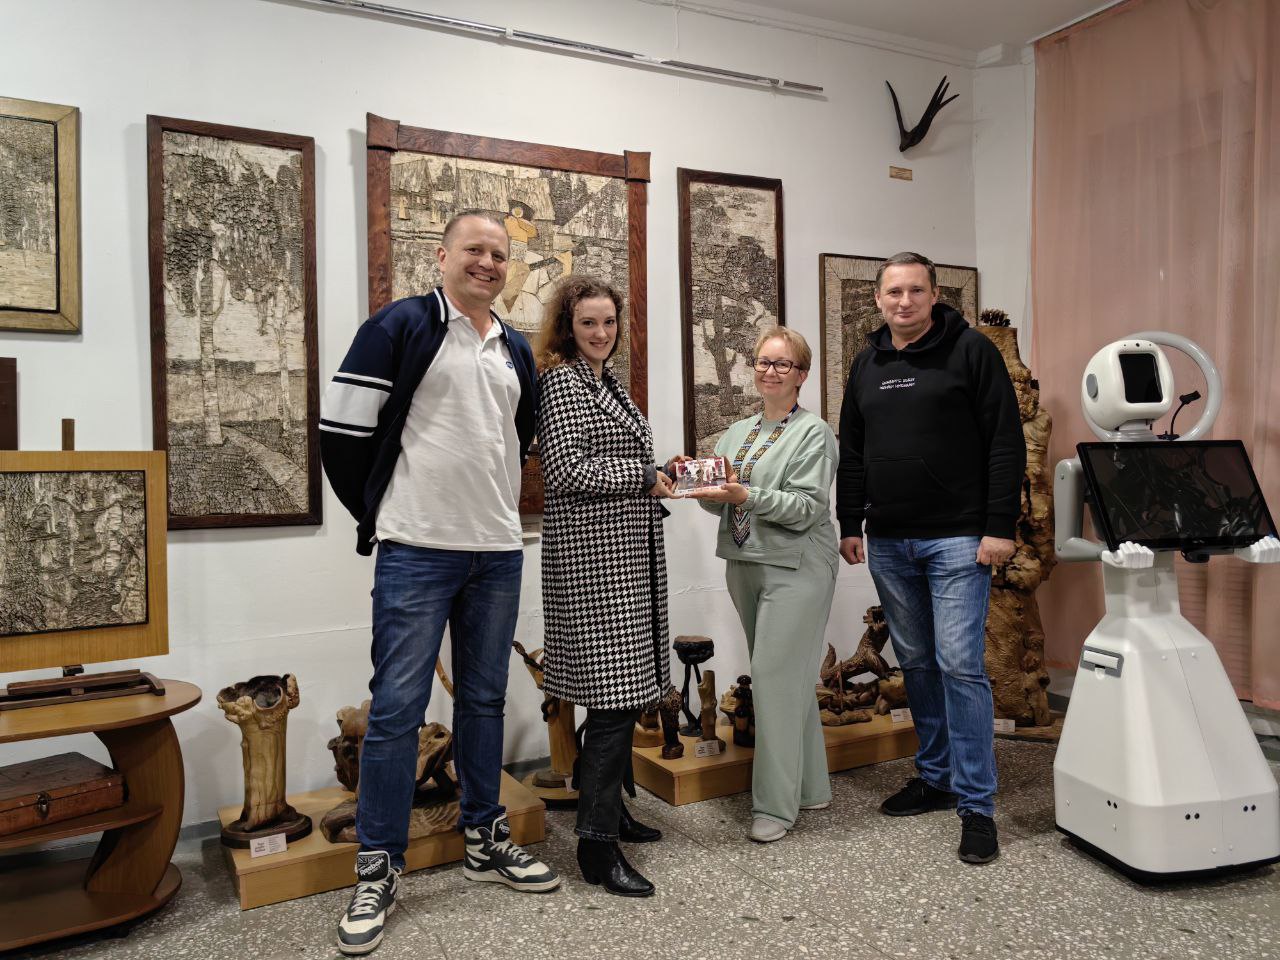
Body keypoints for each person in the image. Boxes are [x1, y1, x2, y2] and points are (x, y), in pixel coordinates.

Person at [320, 210, 559, 956]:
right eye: (474, 250)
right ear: (442, 255)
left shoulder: (514, 347)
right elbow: (341, 433)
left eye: (499, 254)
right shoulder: (400, 326)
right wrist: (383, 510)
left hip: (496, 549)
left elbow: (516, 440)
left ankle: (485, 838)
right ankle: (378, 869)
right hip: (417, 550)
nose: (487, 263)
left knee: (484, 700)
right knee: (397, 711)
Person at [835, 251, 1024, 865]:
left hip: (958, 538)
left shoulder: (972, 351)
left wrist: (999, 526)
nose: (904, 301)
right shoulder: (867, 362)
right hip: (890, 539)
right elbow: (852, 449)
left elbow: (1005, 441)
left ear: (935, 294)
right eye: (894, 292)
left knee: (961, 665)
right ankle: (937, 776)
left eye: (916, 290)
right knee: (916, 662)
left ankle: (977, 805)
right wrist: (850, 521)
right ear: (878, 299)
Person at [535, 275, 677, 897]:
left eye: (609, 322)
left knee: (617, 695)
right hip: (592, 563)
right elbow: (566, 468)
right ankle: (596, 847)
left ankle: (612, 812)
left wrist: (662, 473)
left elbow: (614, 458)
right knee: (615, 700)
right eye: (589, 323)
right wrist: (643, 476)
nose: (601, 333)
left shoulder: (607, 382)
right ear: (568, 327)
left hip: (625, 557)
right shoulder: (562, 382)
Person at [685, 326, 839, 843]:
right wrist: (701, 488)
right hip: (745, 561)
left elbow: (806, 508)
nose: (770, 371)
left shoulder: (814, 433)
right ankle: (811, 786)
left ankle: (775, 806)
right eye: (763, 362)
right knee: (787, 679)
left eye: (783, 364)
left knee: (772, 680)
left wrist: (744, 494)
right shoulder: (736, 433)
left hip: (797, 566)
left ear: (801, 374)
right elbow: (722, 504)